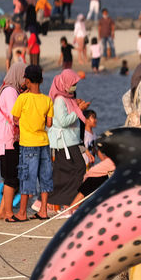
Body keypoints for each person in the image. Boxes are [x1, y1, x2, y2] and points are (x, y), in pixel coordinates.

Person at [12, 64, 54, 220]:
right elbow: (49, 123)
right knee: (45, 176)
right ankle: (43, 210)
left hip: (28, 143)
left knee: (26, 177)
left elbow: (15, 118)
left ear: (27, 80)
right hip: (44, 142)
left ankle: (22, 213)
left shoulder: (22, 98)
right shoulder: (47, 100)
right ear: (42, 80)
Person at [47, 69, 90, 210]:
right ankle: (64, 203)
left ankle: (68, 203)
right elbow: (63, 121)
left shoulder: (68, 97)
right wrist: (78, 109)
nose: (74, 87)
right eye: (73, 84)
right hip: (64, 142)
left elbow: (71, 110)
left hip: (71, 140)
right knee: (75, 169)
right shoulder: (59, 100)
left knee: (69, 172)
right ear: (65, 83)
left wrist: (76, 105)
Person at [0, 63, 25, 222]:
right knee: (11, 178)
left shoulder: (7, 89)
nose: (26, 80)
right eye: (24, 76)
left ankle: (1, 212)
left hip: (5, 140)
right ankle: (8, 213)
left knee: (11, 177)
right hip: (8, 140)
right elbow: (15, 115)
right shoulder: (11, 91)